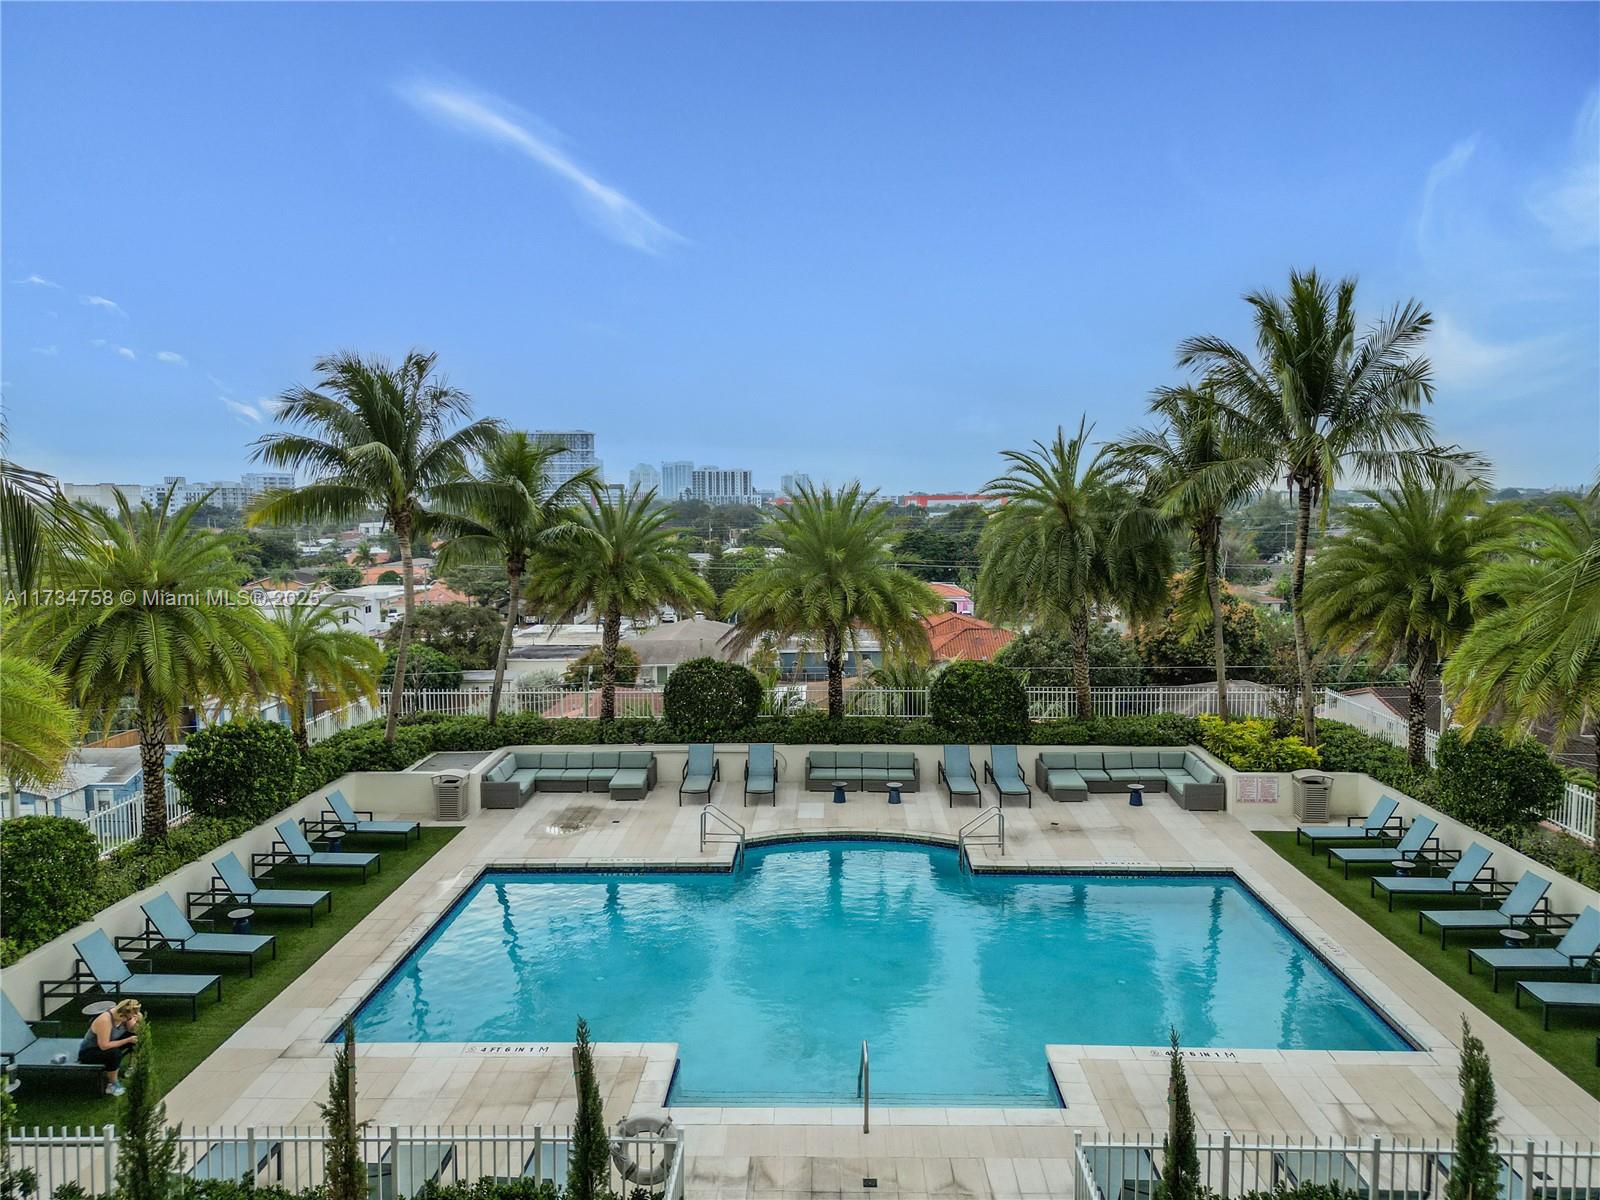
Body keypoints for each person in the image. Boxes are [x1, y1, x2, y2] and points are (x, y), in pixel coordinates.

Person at [78, 998, 142, 1096]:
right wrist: (127, 1040)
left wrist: (136, 1021)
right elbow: (104, 1046)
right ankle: (112, 1084)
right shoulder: (105, 1020)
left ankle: (131, 1066)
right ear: (121, 1016)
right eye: (129, 1018)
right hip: (90, 1052)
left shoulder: (123, 1016)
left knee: (137, 1038)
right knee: (114, 1053)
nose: (130, 1020)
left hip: (110, 1043)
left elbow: (132, 1030)